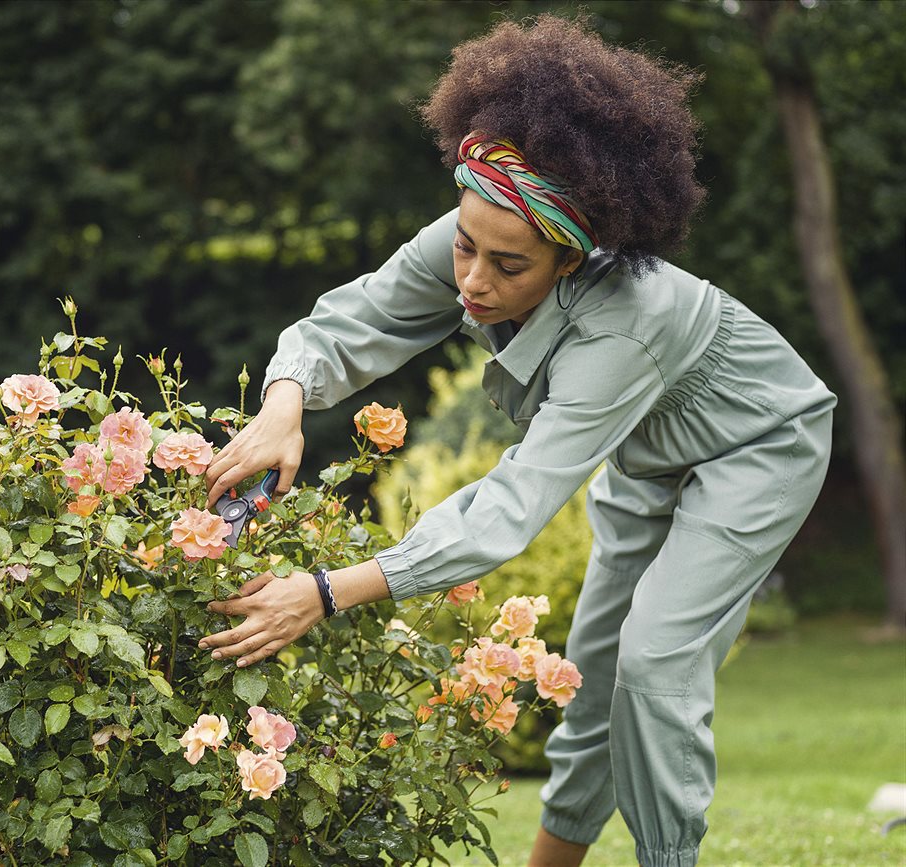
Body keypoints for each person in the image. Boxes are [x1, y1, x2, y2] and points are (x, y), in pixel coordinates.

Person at [198, 14, 835, 867]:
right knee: (598, 673)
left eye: (509, 267)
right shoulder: (478, 232)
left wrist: (322, 589)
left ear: (572, 259)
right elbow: (351, 322)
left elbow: (511, 507)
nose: (472, 281)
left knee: (651, 665)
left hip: (759, 449)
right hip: (651, 455)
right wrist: (283, 406)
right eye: (466, 248)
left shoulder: (625, 327)